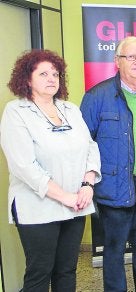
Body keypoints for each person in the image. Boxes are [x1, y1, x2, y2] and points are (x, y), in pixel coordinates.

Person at [1, 49, 101, 291]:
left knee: (67, 270)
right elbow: (24, 165)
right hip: (38, 207)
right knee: (40, 272)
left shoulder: (70, 109)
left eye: (55, 74)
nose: (51, 79)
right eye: (43, 73)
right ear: (27, 79)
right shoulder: (16, 112)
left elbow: (91, 146)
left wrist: (87, 185)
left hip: (76, 204)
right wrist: (65, 196)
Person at [80, 36, 136, 292]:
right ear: (117, 61)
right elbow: (84, 144)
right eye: (132, 56)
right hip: (114, 185)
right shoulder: (97, 96)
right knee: (115, 249)